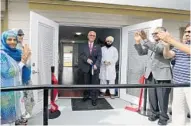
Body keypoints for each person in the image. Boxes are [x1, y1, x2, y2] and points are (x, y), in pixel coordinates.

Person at [134, 27, 172, 125]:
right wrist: (138, 42)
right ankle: (154, 113)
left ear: (163, 33)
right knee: (152, 97)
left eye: (156, 33)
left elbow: (158, 50)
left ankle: (163, 118)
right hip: (150, 74)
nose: (154, 35)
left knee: (162, 98)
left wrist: (145, 39)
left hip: (162, 75)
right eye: (153, 34)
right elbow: (141, 52)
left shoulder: (167, 43)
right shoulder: (151, 44)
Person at [159, 23, 190, 125]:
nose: (187, 34)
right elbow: (167, 56)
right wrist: (166, 46)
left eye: (189, 32)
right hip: (178, 84)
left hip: (190, 85)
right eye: (186, 32)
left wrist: (170, 40)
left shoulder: (183, 46)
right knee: (178, 112)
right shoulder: (180, 46)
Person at [0, 30, 31, 125]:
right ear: (3, 40)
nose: (13, 42)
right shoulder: (2, 55)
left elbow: (25, 68)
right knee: (6, 119)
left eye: (14, 39)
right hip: (5, 91)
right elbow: (7, 73)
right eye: (9, 39)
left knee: (14, 117)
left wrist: (26, 60)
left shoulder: (17, 52)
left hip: (15, 89)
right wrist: (22, 62)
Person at [79, 31, 102, 106]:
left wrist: (96, 65)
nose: (92, 36)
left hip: (95, 68)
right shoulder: (83, 45)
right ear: (88, 36)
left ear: (95, 37)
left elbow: (99, 57)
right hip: (86, 68)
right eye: (90, 35)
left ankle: (94, 99)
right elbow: (81, 55)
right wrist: (86, 59)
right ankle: (86, 95)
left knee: (94, 84)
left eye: (93, 35)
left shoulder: (98, 46)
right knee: (86, 83)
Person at [15, 29, 35, 119]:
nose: (21, 36)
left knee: (28, 94)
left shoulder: (22, 46)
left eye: (22, 35)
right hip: (18, 76)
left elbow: (27, 61)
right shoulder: (14, 48)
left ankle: (28, 112)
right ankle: (23, 113)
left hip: (26, 75)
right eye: (19, 35)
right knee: (22, 96)